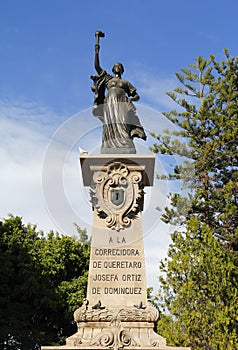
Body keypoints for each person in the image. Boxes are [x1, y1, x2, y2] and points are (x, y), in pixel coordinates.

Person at [91, 43, 146, 154]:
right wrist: (97, 52)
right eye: (116, 65)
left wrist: (131, 100)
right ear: (113, 69)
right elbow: (97, 67)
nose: (117, 67)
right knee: (110, 123)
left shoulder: (125, 83)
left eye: (119, 66)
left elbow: (136, 96)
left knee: (123, 122)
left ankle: (125, 143)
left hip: (121, 104)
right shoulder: (108, 79)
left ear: (122, 70)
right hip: (110, 104)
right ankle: (108, 144)